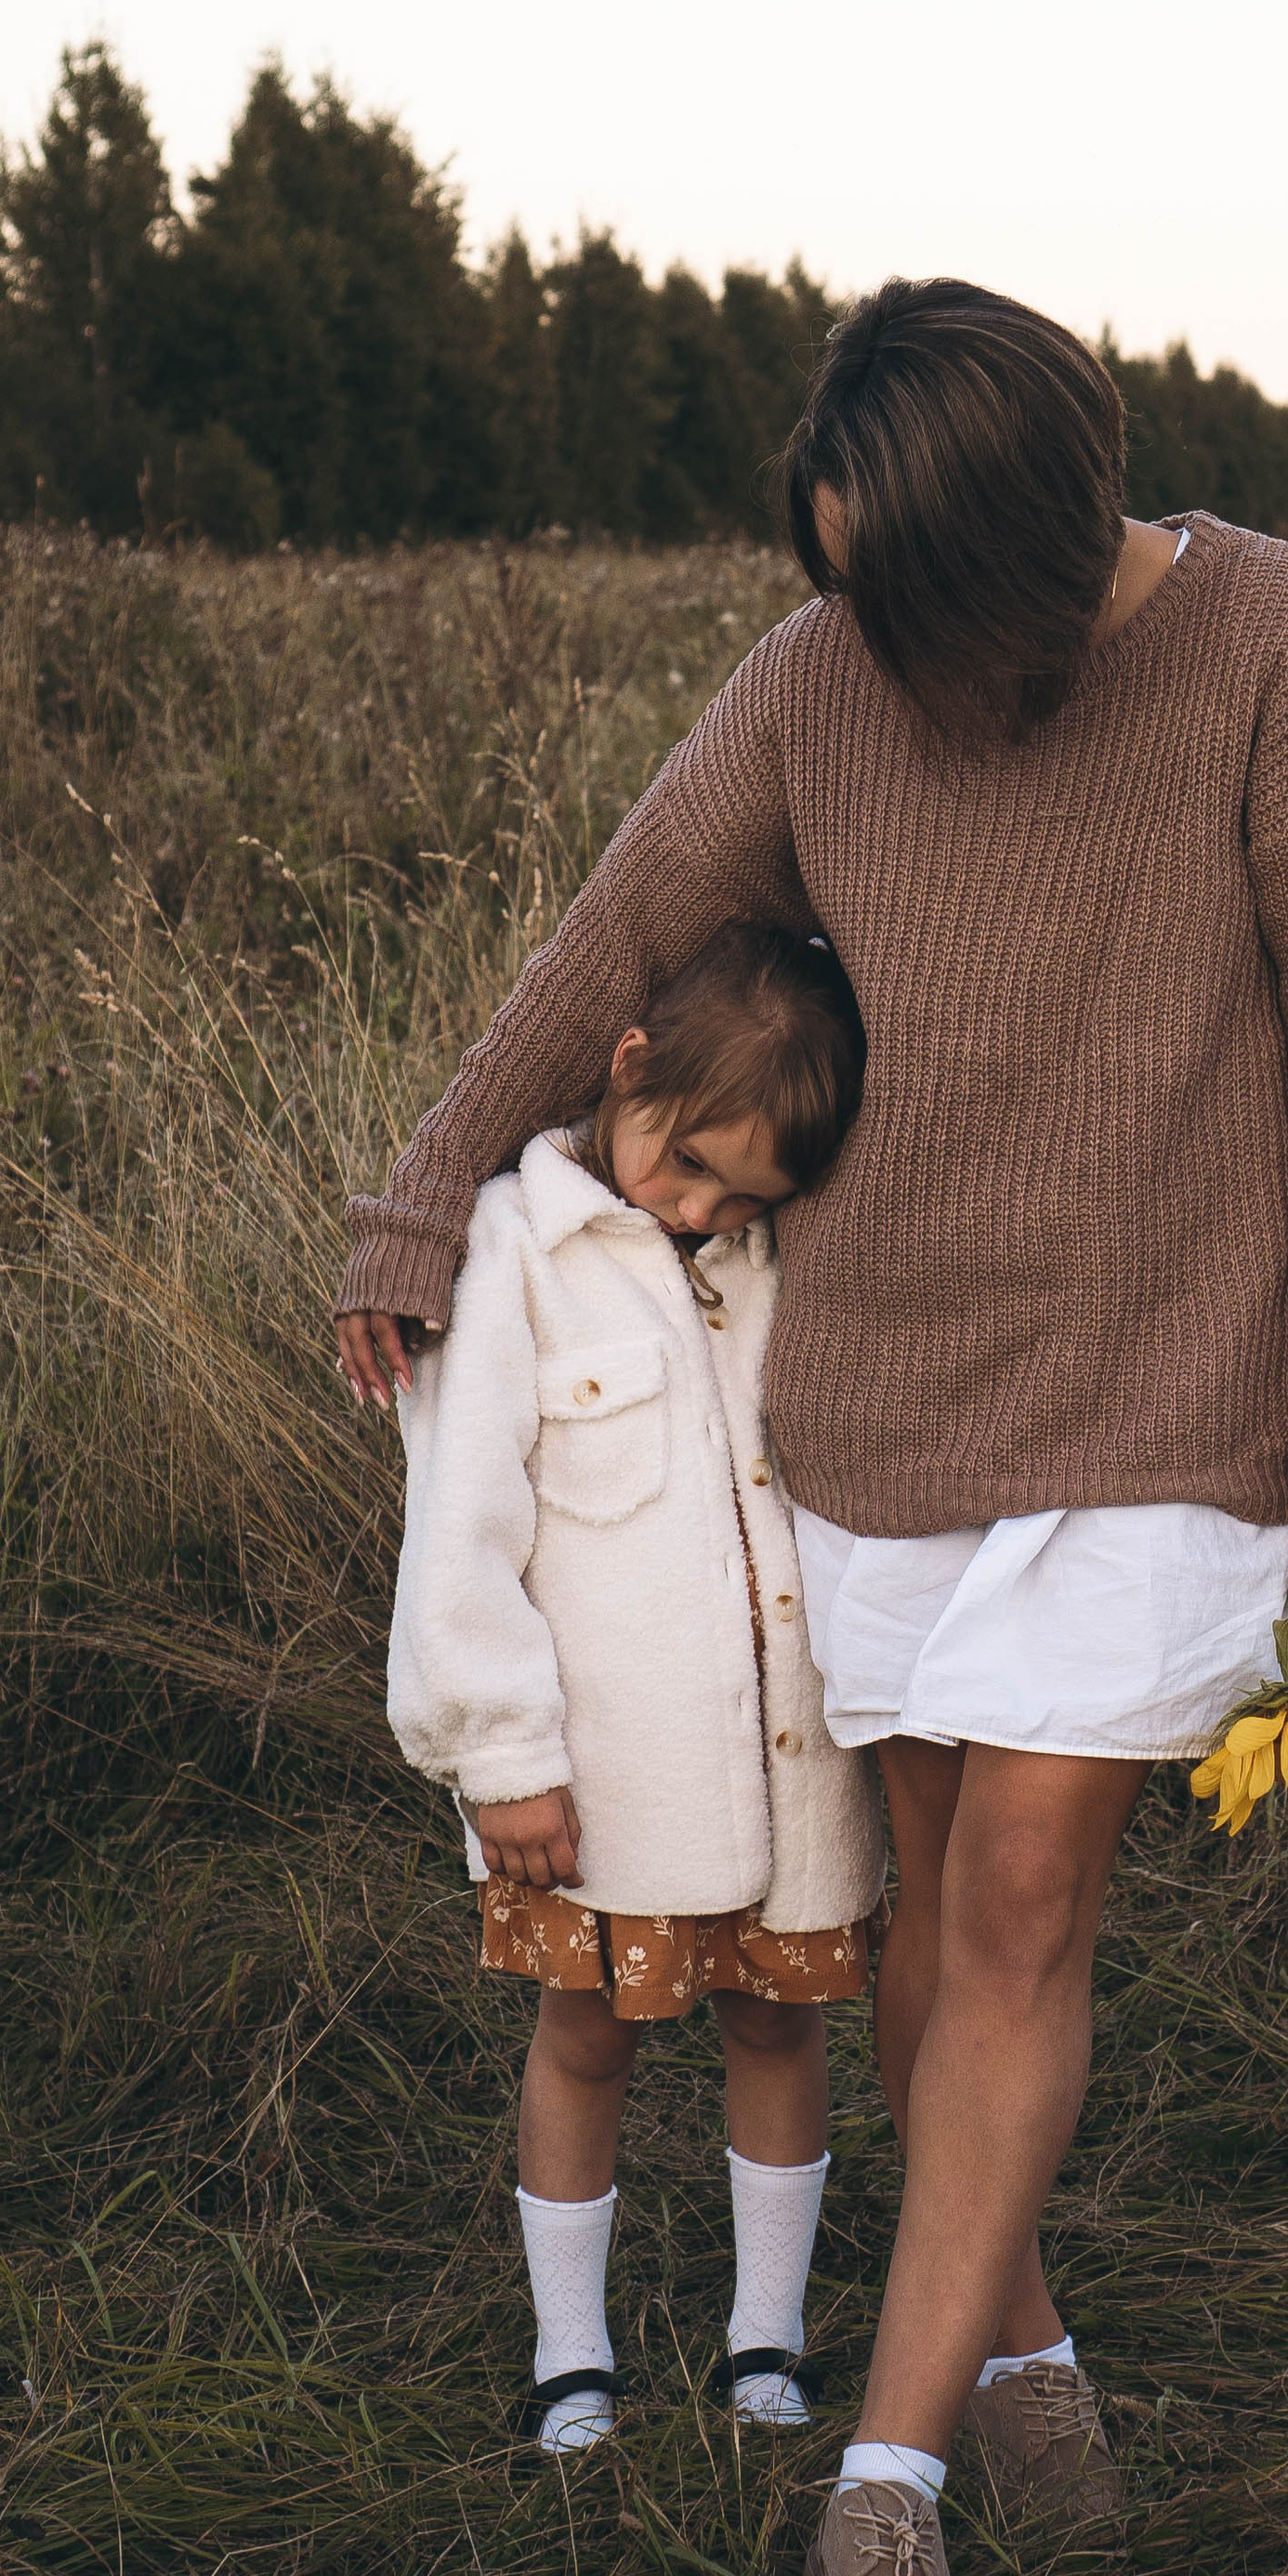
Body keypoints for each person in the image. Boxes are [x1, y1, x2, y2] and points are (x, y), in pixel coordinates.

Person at [337, 278, 1288, 2576]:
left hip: (1171, 1392)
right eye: (839, 583)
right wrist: (432, 1200)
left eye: (900, 591)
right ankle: (1021, 2323)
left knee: (1032, 1893)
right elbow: (625, 934)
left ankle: (896, 2483)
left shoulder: (1282, 649)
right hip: (882, 1404)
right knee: (941, 1920)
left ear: (1029, 551)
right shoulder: (820, 681)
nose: (865, 634)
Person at [383, 921, 884, 2456]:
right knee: (587, 2036)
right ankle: (572, 2352)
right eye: (688, 1167)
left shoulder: (775, 1260)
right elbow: (462, 1523)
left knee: (779, 2035)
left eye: (745, 1198)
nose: (703, 1209)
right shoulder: (515, 1249)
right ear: (628, 1075)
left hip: (791, 1766)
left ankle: (763, 2342)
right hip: (603, 1780)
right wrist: (501, 1753)